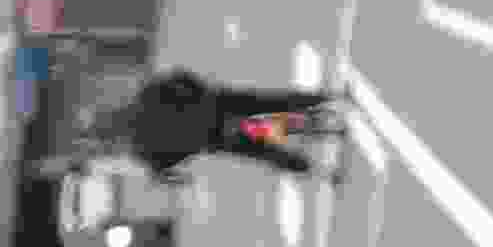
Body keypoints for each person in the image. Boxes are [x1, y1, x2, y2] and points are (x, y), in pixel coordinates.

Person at [117, 64, 342, 180]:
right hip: (214, 103)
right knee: (271, 102)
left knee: (263, 149)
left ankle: (319, 170)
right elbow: (179, 77)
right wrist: (199, 90)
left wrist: (192, 146)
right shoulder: (145, 97)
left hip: (213, 137)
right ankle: (327, 99)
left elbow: (169, 167)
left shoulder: (143, 152)